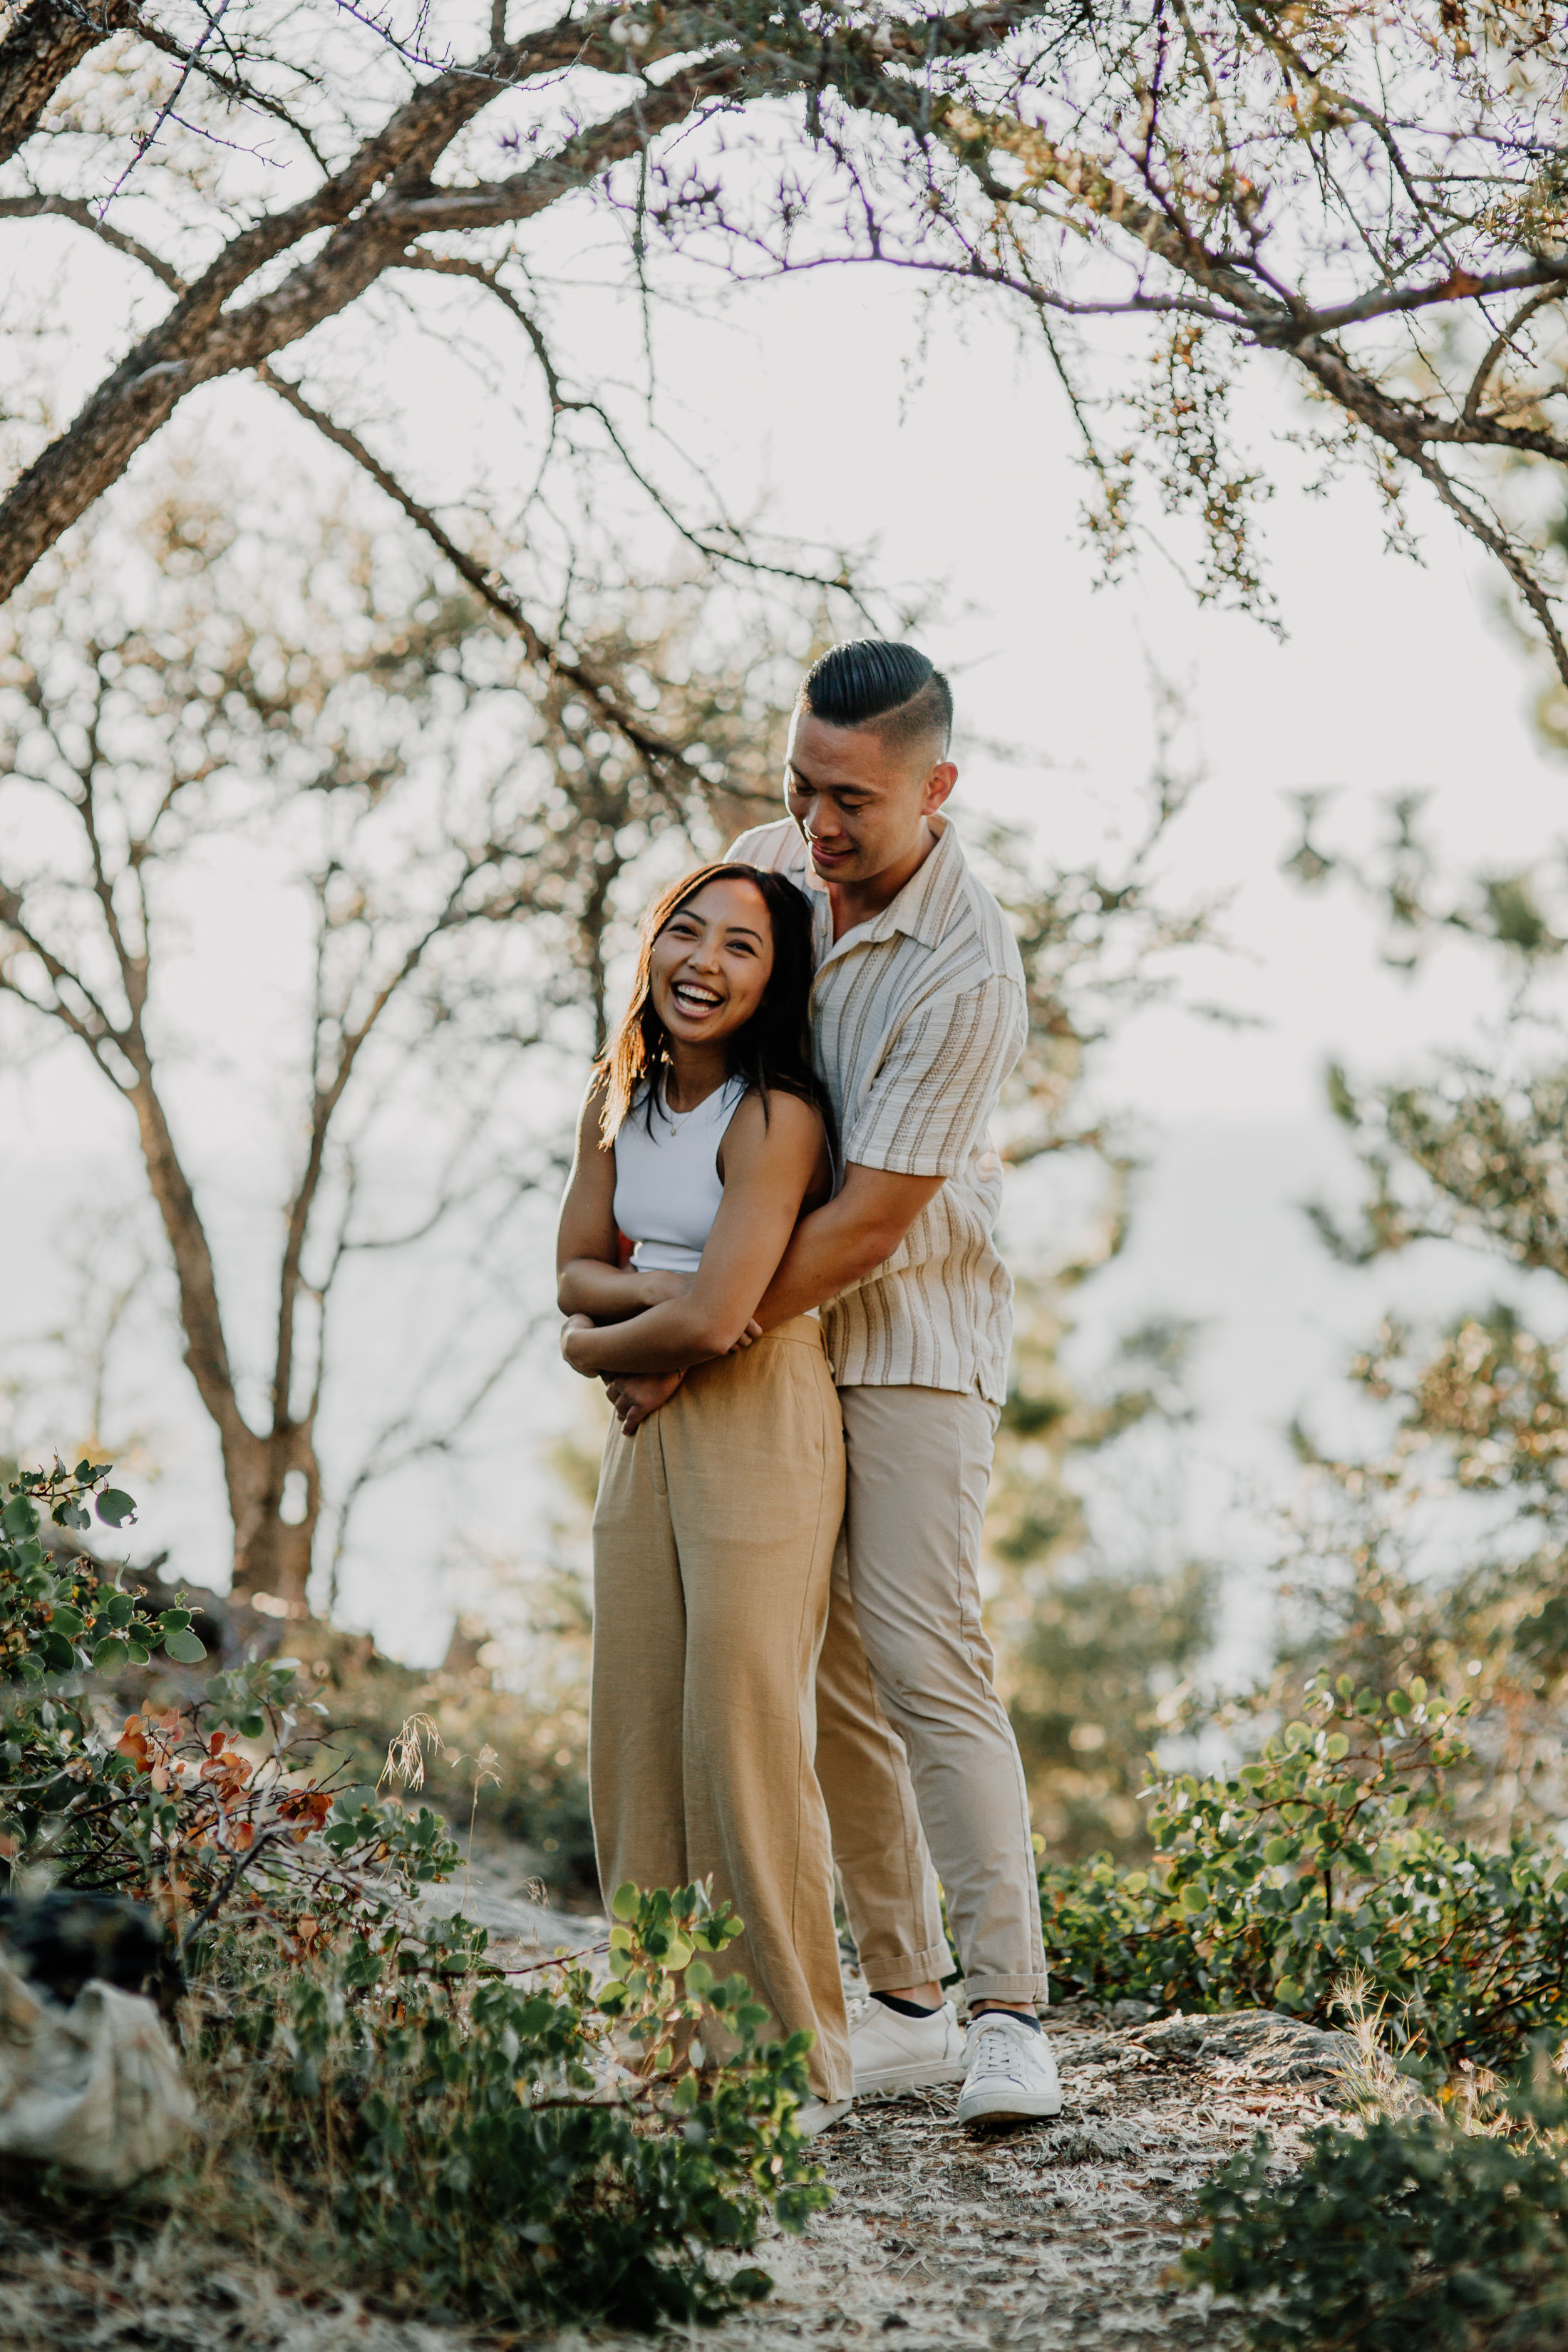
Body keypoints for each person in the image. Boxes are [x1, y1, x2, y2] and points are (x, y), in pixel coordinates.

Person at [605, 640, 1061, 2127]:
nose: (814, 822)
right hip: (766, 1328)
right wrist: (690, 1308)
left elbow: (869, 1221)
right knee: (825, 1673)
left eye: (850, 798)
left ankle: (1006, 2015)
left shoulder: (966, 963)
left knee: (923, 1645)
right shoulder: (763, 864)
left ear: (936, 788)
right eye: (799, 782)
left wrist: (694, 1336)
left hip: (908, 1329)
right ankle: (905, 2001)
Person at [555, 860, 852, 2131]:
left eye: (742, 946)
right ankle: (665, 2045)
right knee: (634, 1739)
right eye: (687, 930)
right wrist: (649, 1323)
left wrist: (608, 1338)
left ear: (771, 983)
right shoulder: (616, 1095)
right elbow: (575, 1269)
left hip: (762, 1418)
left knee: (736, 1739)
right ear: (652, 946)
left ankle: (795, 2063)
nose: (705, 961)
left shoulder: (776, 1113)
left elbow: (731, 1313)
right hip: (646, 1417)